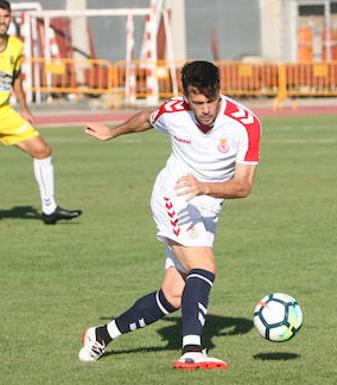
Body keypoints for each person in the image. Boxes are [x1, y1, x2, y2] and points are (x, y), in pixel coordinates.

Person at [78, 60, 262, 370]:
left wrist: (204, 187)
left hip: (206, 204)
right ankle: (193, 349)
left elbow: (243, 187)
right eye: (197, 102)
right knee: (204, 266)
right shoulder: (174, 111)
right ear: (186, 96)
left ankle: (100, 335)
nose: (205, 109)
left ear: (219, 91)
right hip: (173, 197)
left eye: (210, 100)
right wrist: (113, 132)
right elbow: (146, 119)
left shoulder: (245, 124)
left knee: (174, 295)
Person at [0, 0, 81, 224]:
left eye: (5, 16)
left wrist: (25, 109)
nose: (2, 21)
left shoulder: (15, 46)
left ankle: (49, 209)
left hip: (4, 113)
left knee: (42, 150)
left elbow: (15, 79)